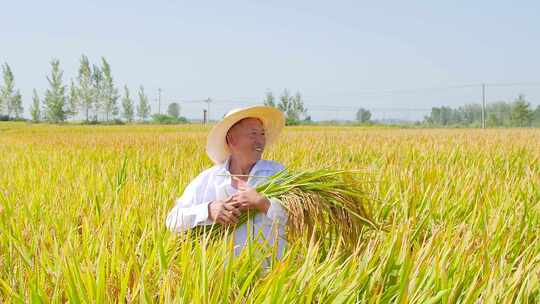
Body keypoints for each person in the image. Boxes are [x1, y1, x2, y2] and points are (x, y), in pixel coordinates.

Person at [165, 105, 288, 258]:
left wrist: (263, 203)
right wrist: (208, 210)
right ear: (232, 140)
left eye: (262, 134)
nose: (260, 141)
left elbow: (299, 217)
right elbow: (172, 221)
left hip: (274, 274)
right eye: (253, 134)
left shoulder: (277, 174)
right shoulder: (209, 179)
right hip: (224, 277)